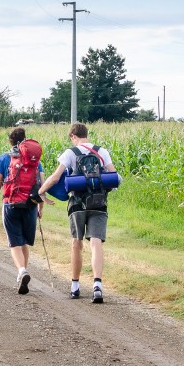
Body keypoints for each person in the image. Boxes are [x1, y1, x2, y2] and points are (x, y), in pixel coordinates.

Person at [38, 122, 117, 304]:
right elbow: (113, 177)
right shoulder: (102, 151)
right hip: (99, 203)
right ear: (86, 134)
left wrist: (41, 191)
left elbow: (56, 177)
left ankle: (75, 286)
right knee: (96, 243)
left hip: (77, 204)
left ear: (74, 135)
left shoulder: (70, 153)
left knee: (76, 243)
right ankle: (97, 285)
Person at [0, 127, 44, 294]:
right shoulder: (35, 160)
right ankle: (22, 275)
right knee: (24, 241)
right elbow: (41, 185)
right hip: (31, 204)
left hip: (11, 204)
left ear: (10, 141)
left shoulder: (4, 158)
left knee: (14, 243)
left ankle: (21, 272)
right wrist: (41, 206)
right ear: (25, 140)